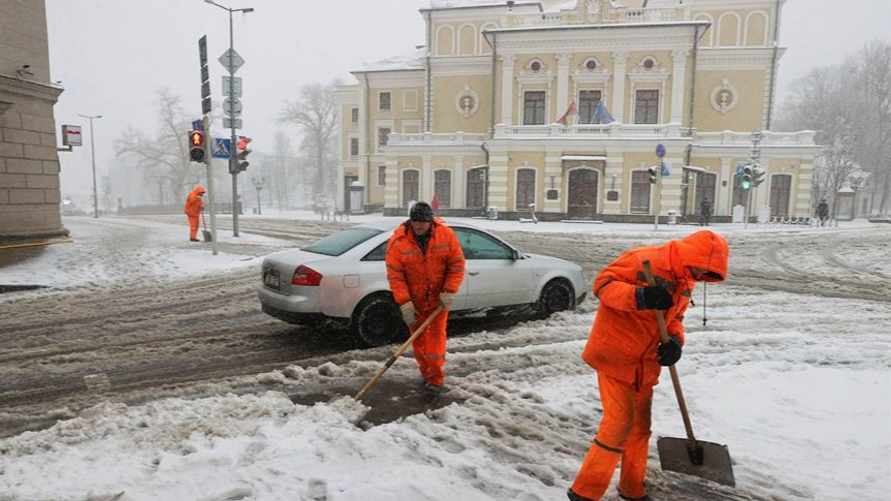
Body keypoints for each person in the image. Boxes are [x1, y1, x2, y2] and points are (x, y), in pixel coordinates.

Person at [568, 230, 729, 501]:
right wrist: (639, 298)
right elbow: (603, 286)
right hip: (615, 355)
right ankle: (585, 492)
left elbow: (675, 319)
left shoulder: (686, 281)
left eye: (707, 274)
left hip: (645, 366)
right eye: (700, 269)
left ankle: (632, 489)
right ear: (690, 256)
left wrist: (675, 342)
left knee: (640, 428)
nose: (700, 276)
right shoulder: (642, 259)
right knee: (618, 424)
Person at [385, 201, 465, 394]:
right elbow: (395, 275)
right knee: (418, 341)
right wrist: (404, 302)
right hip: (414, 302)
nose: (419, 225)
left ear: (431, 221)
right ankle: (426, 372)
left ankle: (436, 379)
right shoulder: (398, 242)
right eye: (416, 221)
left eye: (423, 222)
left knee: (436, 341)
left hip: (438, 301)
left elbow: (457, 265)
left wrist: (449, 290)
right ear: (410, 221)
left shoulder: (446, 236)